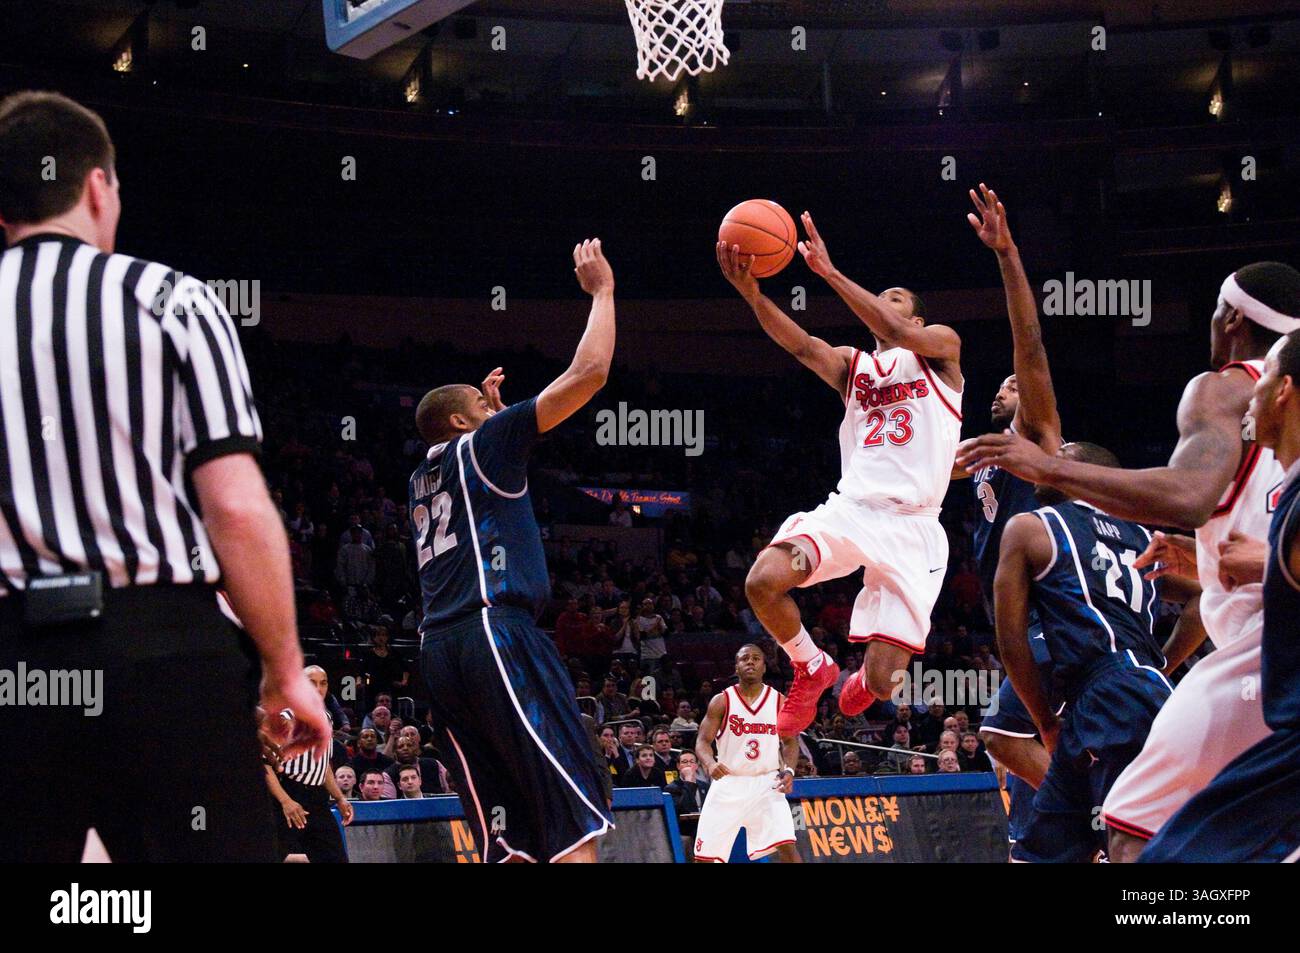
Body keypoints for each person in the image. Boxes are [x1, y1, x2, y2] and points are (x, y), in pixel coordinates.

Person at [0, 91, 328, 862]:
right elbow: (238, 508)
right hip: (161, 650)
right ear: (97, 188)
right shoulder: (172, 299)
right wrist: (284, 670)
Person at [959, 260, 1300, 862]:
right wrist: (1212, 576)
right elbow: (1234, 550)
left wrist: (1045, 465)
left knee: (1139, 832)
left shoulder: (1223, 387)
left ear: (1231, 319)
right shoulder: (1274, 436)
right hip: (1198, 659)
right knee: (1159, 828)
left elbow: (1190, 496)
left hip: (1147, 661)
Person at [717, 211, 963, 740]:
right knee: (762, 581)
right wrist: (753, 295)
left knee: (882, 682)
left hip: (915, 529)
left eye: (895, 297)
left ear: (918, 322)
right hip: (850, 510)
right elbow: (802, 345)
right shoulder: (856, 367)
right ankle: (810, 665)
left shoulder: (941, 352)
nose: (883, 303)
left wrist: (828, 272)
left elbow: (892, 327)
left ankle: (862, 681)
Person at [409, 239, 616, 863]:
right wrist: (602, 292)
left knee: (510, 836)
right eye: (479, 405)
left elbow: (491, 496)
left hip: (439, 655)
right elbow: (590, 374)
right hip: (496, 635)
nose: (491, 405)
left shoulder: (420, 476)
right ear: (459, 422)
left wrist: (499, 427)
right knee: (572, 809)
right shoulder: (486, 444)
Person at [1142, 331, 1300, 861]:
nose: (1248, 393)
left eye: (1264, 378)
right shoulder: (1286, 489)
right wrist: (1203, 559)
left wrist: (1267, 562)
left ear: (1284, 391)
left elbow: (1185, 499)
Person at [994, 442, 1173, 862]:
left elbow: (1010, 640)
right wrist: (1157, 663)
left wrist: (1043, 720)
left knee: (1130, 844)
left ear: (1087, 472)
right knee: (1037, 854)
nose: (1047, 458)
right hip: (1108, 694)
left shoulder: (1030, 527)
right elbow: (1202, 599)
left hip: (1110, 694)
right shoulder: (1142, 536)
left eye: (1062, 452)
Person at [693, 645, 800, 863]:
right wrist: (710, 763)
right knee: (704, 858)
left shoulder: (779, 701)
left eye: (756, 658)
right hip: (729, 782)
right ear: (737, 667)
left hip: (767, 783)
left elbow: (790, 741)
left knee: (787, 845)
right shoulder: (721, 701)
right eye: (744, 659)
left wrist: (789, 770)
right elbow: (702, 741)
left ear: (764, 667)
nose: (750, 662)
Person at [264, 665, 355, 863]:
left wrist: (339, 798)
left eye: (323, 683)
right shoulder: (285, 718)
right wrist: (286, 801)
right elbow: (264, 765)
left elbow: (323, 767)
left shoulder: (326, 718)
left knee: (336, 858)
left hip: (317, 799)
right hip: (287, 793)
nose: (318, 688)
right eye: (311, 683)